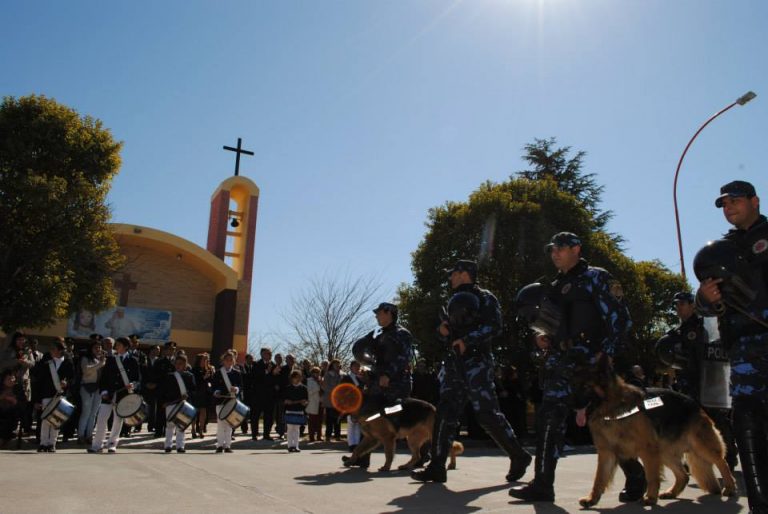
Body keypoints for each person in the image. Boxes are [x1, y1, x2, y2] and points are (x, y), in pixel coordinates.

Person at [510, 233, 643, 503]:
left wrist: (605, 355)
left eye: (560, 248)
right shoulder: (556, 286)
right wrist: (543, 338)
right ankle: (543, 484)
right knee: (549, 416)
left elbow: (621, 320)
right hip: (562, 362)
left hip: (593, 362)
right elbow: (553, 324)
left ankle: (637, 476)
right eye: (552, 250)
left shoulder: (596, 277)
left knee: (608, 423)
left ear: (576, 249)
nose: (555, 254)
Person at [413, 260, 532, 484]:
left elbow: (495, 326)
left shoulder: (486, 297)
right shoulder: (452, 300)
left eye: (453, 274)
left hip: (478, 362)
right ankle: (437, 466)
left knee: (486, 414)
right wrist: (443, 332)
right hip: (455, 363)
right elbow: (449, 332)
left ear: (464, 274)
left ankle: (519, 456)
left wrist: (467, 340)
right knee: (446, 412)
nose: (450, 278)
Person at [695, 180, 768, 513]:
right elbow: (709, 307)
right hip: (742, 351)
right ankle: (759, 503)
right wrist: (705, 299)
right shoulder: (719, 251)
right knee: (746, 421)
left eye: (735, 201)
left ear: (755, 201)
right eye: (724, 204)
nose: (729, 208)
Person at [659, 291, 738, 470]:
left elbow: (715, 350)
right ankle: (690, 459)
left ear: (692, 305)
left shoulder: (705, 326)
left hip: (708, 380)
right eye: (676, 305)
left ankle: (729, 456)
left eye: (682, 304)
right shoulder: (677, 331)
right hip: (687, 381)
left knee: (716, 418)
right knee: (686, 420)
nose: (678, 308)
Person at [89, 337, 140, 454]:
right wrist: (104, 391)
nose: (116, 346)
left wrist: (133, 385)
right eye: (116, 344)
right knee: (101, 419)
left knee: (118, 420)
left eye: (119, 345)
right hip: (109, 394)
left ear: (126, 346)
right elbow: (104, 377)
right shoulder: (111, 360)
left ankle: (112, 443)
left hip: (124, 395)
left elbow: (137, 379)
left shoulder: (133, 361)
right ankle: (97, 445)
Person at [32, 338, 75, 452]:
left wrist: (66, 383)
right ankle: (43, 443)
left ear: (60, 350)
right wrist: (37, 398)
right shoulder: (46, 360)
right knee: (45, 419)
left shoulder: (68, 361)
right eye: (50, 348)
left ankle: (52, 443)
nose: (51, 350)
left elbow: (72, 378)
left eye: (53, 348)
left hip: (60, 394)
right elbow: (39, 379)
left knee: (56, 420)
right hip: (46, 393)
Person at [161, 354, 196, 453]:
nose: (178, 366)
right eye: (176, 364)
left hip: (183, 404)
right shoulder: (170, 376)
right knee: (169, 426)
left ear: (185, 364)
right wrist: (165, 402)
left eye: (180, 364)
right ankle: (168, 445)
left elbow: (193, 390)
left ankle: (180, 446)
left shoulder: (189, 376)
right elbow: (164, 391)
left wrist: (187, 395)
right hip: (170, 403)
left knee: (181, 426)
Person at [211, 350, 242, 453]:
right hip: (220, 401)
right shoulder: (218, 373)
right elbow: (214, 386)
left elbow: (240, 386)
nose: (228, 362)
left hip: (231, 401)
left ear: (233, 361)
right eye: (226, 360)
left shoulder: (237, 373)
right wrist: (216, 391)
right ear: (223, 361)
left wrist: (236, 389)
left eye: (230, 360)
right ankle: (219, 445)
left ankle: (228, 445)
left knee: (229, 425)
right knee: (220, 424)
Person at [78, 339, 106, 444]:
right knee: (86, 412)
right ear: (91, 349)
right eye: (96, 347)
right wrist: (101, 364)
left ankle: (89, 435)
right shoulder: (85, 358)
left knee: (93, 414)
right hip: (87, 387)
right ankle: (81, 435)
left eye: (99, 347)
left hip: (98, 389)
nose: (98, 349)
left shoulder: (102, 360)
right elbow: (86, 371)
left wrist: (102, 362)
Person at [250, 347, 277, 440]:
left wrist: (275, 375)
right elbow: (254, 378)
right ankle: (254, 434)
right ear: (262, 354)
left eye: (270, 353)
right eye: (267, 353)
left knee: (269, 416)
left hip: (270, 396)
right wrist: (266, 372)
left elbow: (274, 380)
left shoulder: (273, 365)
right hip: (258, 395)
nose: (270, 355)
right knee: (255, 416)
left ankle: (266, 434)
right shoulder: (256, 364)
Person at [151, 341, 176, 437]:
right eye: (169, 349)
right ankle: (158, 431)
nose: (171, 351)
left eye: (173, 349)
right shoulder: (159, 362)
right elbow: (155, 375)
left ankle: (167, 431)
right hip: (161, 390)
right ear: (165, 351)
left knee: (170, 412)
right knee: (160, 411)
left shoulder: (176, 362)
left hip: (172, 391)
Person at [341, 361, 366, 454]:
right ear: (351, 367)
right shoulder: (346, 378)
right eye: (355, 366)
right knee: (351, 423)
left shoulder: (361, 378)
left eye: (358, 367)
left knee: (358, 424)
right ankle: (351, 444)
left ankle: (357, 444)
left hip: (360, 403)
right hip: (350, 403)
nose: (357, 368)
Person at [284, 370, 308, 452]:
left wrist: (305, 403)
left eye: (299, 377)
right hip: (290, 411)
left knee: (297, 429)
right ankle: (290, 446)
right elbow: (284, 400)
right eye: (295, 377)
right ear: (292, 378)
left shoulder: (304, 388)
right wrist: (287, 401)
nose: (297, 379)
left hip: (299, 410)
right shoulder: (288, 388)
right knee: (290, 429)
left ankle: (296, 446)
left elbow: (306, 400)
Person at [191, 353, 214, 438]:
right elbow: (194, 382)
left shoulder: (208, 369)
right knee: (194, 412)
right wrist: (204, 377)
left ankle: (201, 430)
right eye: (204, 359)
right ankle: (193, 429)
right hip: (196, 393)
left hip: (205, 393)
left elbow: (211, 381)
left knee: (203, 412)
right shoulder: (194, 370)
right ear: (199, 360)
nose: (206, 361)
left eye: (206, 360)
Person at [322, 359, 342, 442]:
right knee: (329, 420)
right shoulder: (328, 374)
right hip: (330, 400)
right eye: (335, 365)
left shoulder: (342, 374)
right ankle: (328, 436)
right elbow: (326, 387)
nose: (337, 366)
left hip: (338, 401)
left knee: (338, 419)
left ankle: (337, 436)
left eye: (338, 365)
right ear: (332, 365)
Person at [0, 369, 19, 447]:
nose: (11, 380)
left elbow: (21, 403)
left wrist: (13, 400)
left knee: (6, 421)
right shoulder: (1, 388)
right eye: (8, 378)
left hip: (12, 414)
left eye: (12, 378)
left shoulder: (18, 388)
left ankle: (3, 440)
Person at [306, 367, 322, 442]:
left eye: (318, 372)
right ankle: (311, 437)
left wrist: (320, 384)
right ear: (312, 373)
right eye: (315, 372)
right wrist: (318, 387)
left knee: (319, 421)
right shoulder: (309, 381)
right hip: (312, 403)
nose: (316, 374)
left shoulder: (321, 380)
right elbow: (309, 392)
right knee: (312, 421)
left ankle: (319, 436)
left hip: (320, 402)